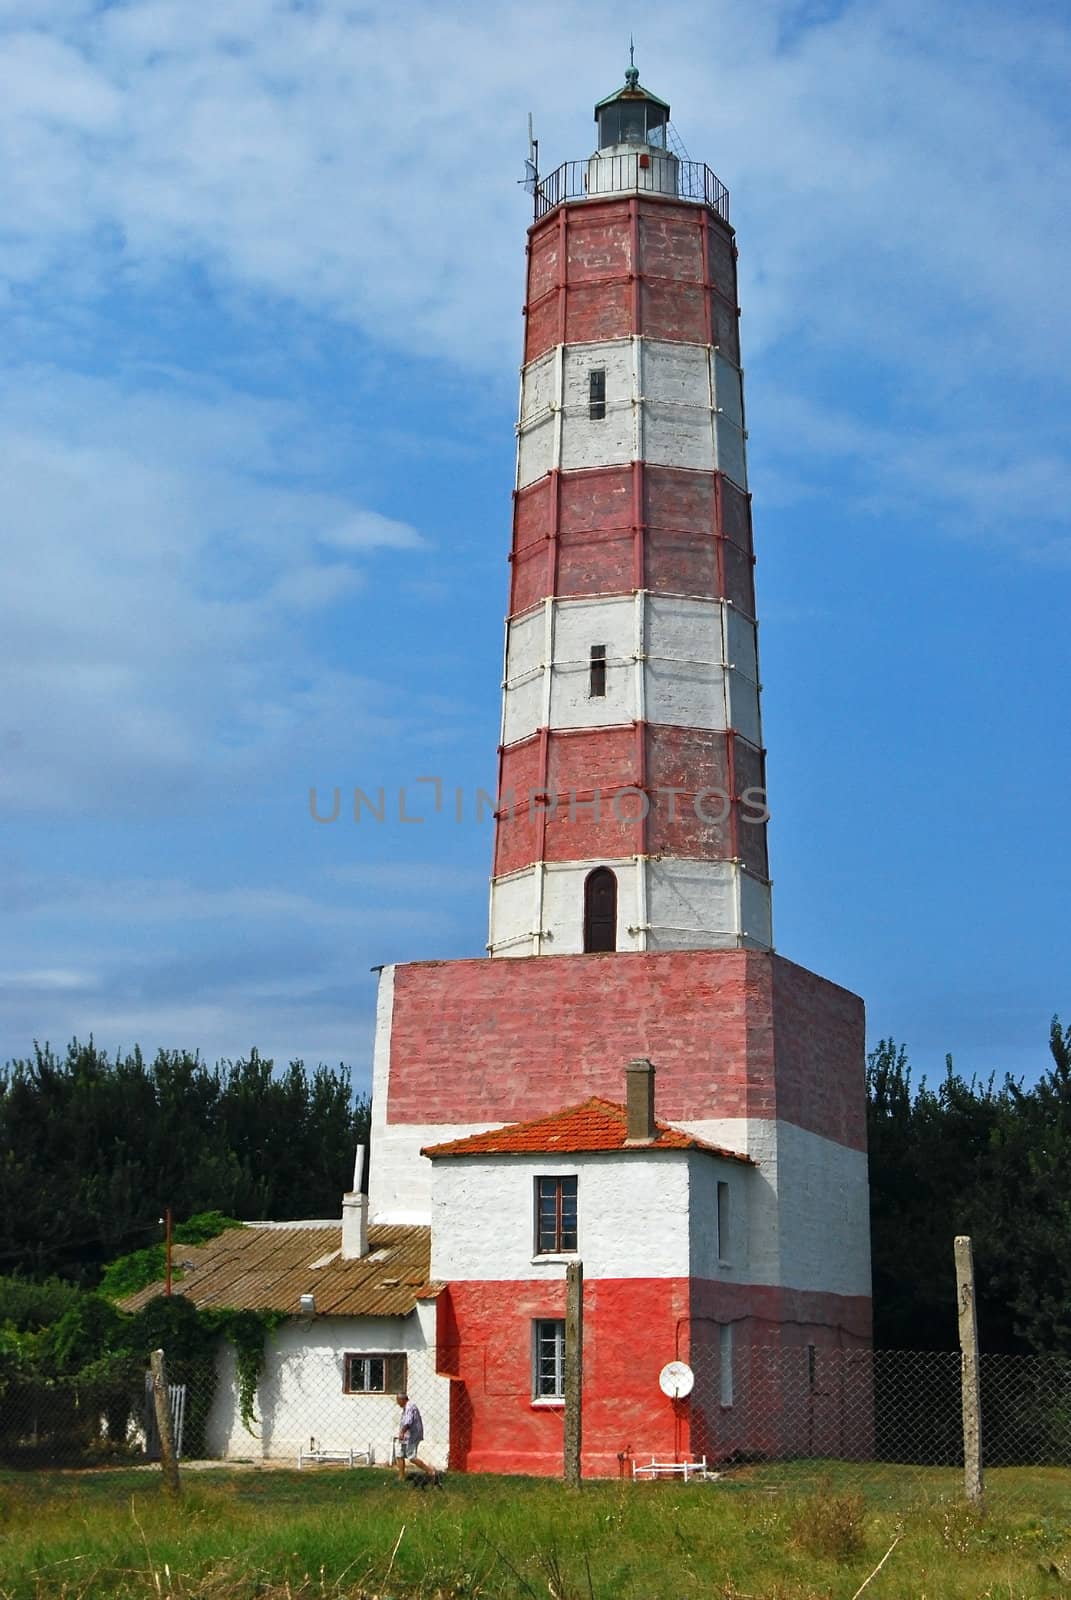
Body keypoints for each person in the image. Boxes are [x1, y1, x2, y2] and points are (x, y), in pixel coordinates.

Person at [394, 1393, 440, 1483]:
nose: (397, 1403)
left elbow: (408, 1421)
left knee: (411, 1457)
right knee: (399, 1455)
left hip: (412, 1436)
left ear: (403, 1400)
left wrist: (402, 1432)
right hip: (406, 1436)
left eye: (398, 1401)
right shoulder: (406, 1407)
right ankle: (401, 1477)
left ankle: (431, 1472)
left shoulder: (410, 1407)